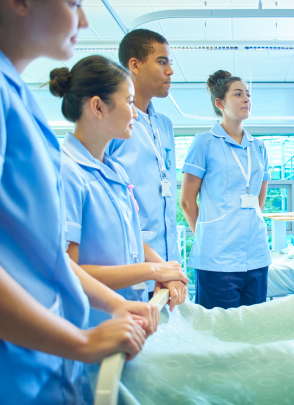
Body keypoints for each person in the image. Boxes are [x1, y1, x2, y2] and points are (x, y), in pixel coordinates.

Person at [0, 2, 157, 404]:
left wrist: (118, 306)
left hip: (41, 362)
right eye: (74, 4)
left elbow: (43, 254)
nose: (83, 19)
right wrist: (80, 342)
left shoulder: (7, 89)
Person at [49, 55, 189, 327]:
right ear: (98, 107)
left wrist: (166, 270)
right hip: (92, 325)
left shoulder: (115, 170)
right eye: (128, 102)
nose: (135, 113)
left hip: (126, 319)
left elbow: (135, 238)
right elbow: (68, 270)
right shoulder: (67, 172)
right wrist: (153, 270)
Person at [180, 70, 271, 310]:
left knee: (252, 328)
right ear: (220, 103)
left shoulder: (259, 148)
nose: (246, 100)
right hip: (216, 259)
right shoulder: (204, 143)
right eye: (238, 94)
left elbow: (259, 202)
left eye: (248, 95)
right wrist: (209, 236)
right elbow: (187, 202)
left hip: (257, 255)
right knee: (217, 333)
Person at [107, 29, 179, 300]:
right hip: (131, 262)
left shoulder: (165, 125)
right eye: (162, 62)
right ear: (134, 65)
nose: (170, 71)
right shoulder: (113, 122)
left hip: (167, 262)